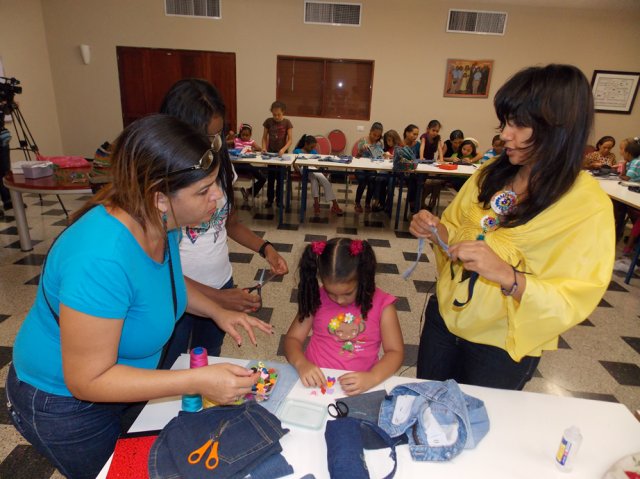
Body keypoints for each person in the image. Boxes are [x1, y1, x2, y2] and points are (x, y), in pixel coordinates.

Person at [6, 115, 275, 479]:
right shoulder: (99, 257)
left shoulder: (162, 222)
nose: (218, 198)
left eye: (216, 185)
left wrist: (216, 309)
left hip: (122, 383)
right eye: (203, 190)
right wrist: (198, 380)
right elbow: (88, 379)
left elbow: (160, 281)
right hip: (63, 404)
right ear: (159, 197)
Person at [409, 64, 615, 391]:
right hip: (444, 320)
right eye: (505, 122)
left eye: (519, 124)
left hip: (501, 345)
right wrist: (433, 229)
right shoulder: (490, 173)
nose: (505, 134)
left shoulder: (586, 205)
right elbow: (454, 234)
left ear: (559, 127)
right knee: (427, 405)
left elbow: (574, 295)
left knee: (479, 427)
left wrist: (507, 275)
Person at [158, 79, 288, 368]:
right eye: (205, 137)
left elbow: (229, 223)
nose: (215, 197)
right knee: (169, 369)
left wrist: (266, 248)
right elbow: (160, 273)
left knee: (206, 362)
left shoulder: (218, 161)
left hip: (219, 283)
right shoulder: (161, 187)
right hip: (177, 294)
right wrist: (219, 299)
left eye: (216, 136)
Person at [283, 238, 404, 396]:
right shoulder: (315, 297)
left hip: (362, 385)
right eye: (330, 292)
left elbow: (395, 352)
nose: (339, 300)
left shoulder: (383, 305)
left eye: (347, 293)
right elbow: (292, 340)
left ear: (362, 278)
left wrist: (372, 377)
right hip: (315, 382)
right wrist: (301, 364)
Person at [293, 134, 343, 215]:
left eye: (314, 147)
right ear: (306, 144)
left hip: (313, 169)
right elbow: (294, 164)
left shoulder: (314, 152)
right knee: (317, 178)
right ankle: (334, 204)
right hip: (303, 169)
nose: (312, 149)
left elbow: (317, 164)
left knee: (318, 180)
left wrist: (316, 164)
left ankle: (317, 203)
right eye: (311, 147)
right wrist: (298, 171)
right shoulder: (297, 151)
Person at [262, 100, 293, 208]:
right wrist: (264, 148)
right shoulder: (268, 122)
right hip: (271, 153)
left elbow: (290, 140)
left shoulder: (287, 122)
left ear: (283, 112)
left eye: (278, 114)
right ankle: (270, 200)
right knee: (270, 177)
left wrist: (283, 149)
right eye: (274, 114)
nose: (276, 117)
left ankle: (279, 200)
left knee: (280, 178)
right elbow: (264, 137)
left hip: (281, 155)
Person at [354, 122, 384, 213]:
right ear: (370, 131)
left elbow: (379, 157)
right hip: (361, 167)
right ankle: (357, 203)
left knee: (372, 182)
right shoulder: (363, 140)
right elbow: (357, 157)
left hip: (372, 168)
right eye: (374, 135)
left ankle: (367, 203)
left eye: (378, 136)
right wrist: (362, 150)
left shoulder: (379, 143)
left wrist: (383, 155)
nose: (375, 137)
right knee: (362, 181)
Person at [232, 123, 267, 201]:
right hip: (236, 166)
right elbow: (224, 143)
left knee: (263, 178)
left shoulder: (251, 142)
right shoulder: (236, 140)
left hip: (246, 166)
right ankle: (228, 196)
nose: (245, 137)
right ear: (240, 134)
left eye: (247, 135)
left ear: (250, 135)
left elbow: (259, 148)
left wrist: (259, 150)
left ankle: (249, 191)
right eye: (243, 135)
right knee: (227, 176)